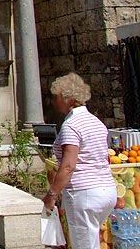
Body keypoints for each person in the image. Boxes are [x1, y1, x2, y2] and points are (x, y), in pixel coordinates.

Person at [42, 72, 116, 249]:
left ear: (68, 98)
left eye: (56, 97)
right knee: (92, 241)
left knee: (84, 245)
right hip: (107, 190)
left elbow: (68, 166)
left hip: (84, 193)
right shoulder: (96, 122)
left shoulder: (71, 125)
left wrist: (52, 194)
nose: (53, 102)